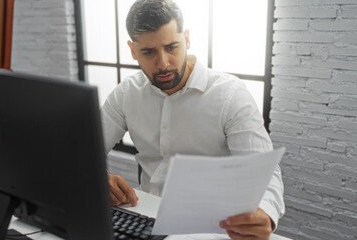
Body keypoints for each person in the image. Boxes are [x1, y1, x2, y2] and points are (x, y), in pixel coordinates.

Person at [101, 0, 285, 239]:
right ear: (133, 50)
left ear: (186, 39)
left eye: (172, 47)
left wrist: (265, 214)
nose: (163, 63)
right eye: (148, 52)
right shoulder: (126, 93)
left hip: (212, 227)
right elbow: (81, 152)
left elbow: (265, 173)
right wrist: (98, 179)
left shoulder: (230, 95)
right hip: (144, 215)